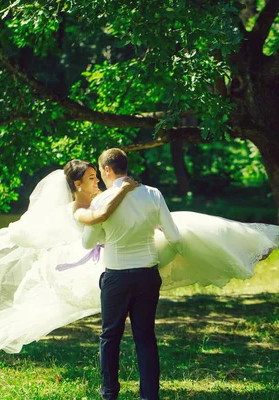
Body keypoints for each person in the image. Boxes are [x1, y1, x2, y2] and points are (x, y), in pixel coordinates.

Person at [0, 157, 279, 360]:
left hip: (117, 256)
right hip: (98, 262)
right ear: (77, 185)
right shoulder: (82, 206)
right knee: (116, 331)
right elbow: (96, 225)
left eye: (97, 176)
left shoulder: (100, 197)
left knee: (187, 226)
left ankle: (243, 248)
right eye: (90, 178)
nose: (97, 180)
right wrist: (124, 190)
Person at [79, 148, 181, 400]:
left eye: (100, 173)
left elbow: (87, 242)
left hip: (116, 277)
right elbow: (175, 237)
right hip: (147, 274)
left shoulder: (101, 201)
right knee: (145, 337)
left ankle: (109, 393)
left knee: (110, 336)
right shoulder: (153, 194)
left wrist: (106, 234)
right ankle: (149, 395)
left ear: (106, 170)